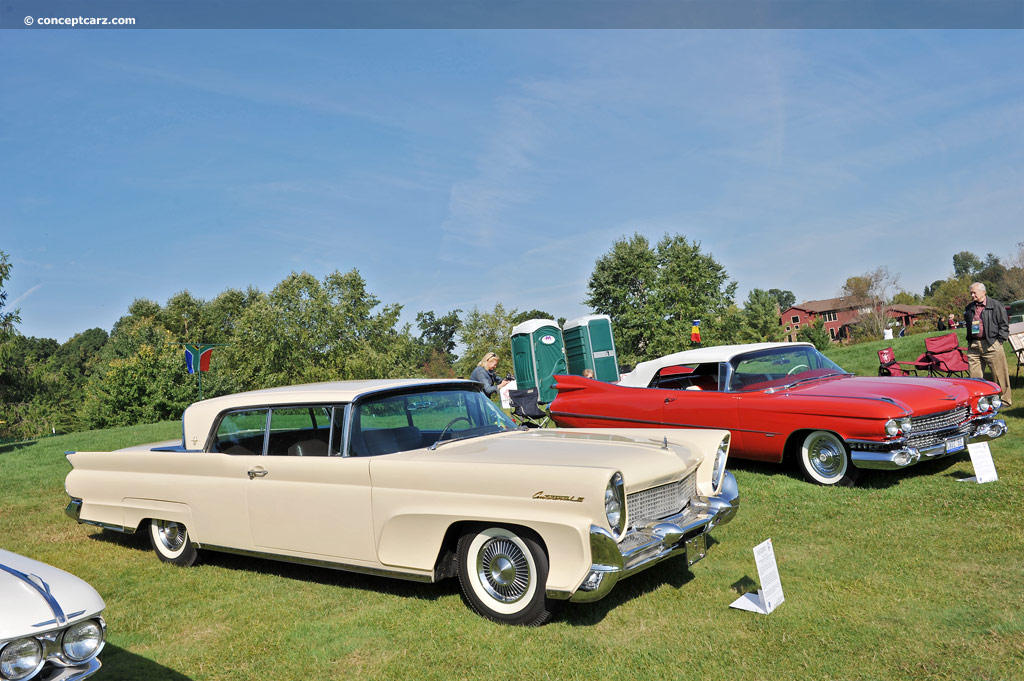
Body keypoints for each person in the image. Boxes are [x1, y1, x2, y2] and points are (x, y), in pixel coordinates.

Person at [964, 282, 1012, 406]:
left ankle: (1005, 400)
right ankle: (980, 402)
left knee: (999, 374)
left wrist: (1000, 340)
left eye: (974, 293)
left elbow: (1004, 325)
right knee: (975, 377)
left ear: (983, 292)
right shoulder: (969, 308)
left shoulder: (995, 305)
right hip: (974, 345)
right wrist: (970, 341)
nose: (972, 295)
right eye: (971, 293)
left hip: (991, 343)